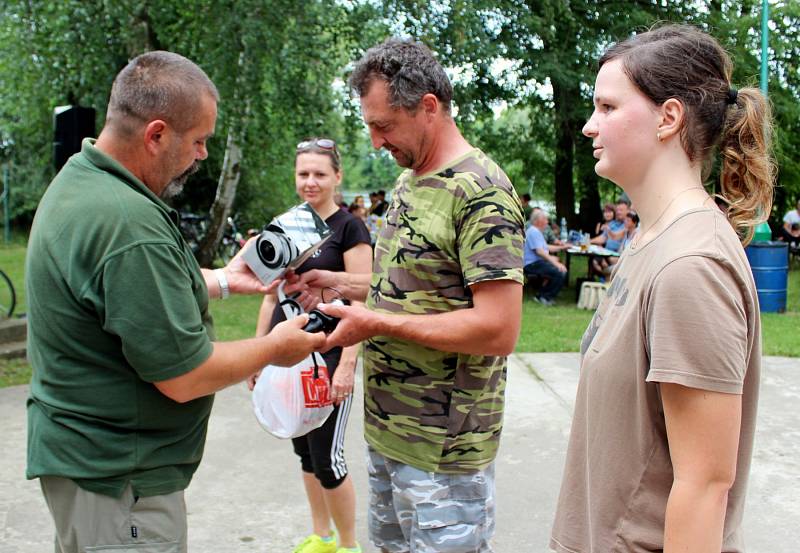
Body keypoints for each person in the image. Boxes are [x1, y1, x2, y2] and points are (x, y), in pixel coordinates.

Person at [24, 51, 326, 553]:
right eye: (199, 140)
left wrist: (227, 280)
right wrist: (275, 347)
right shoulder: (127, 224)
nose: (204, 154)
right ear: (157, 134)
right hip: (121, 481)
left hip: (90, 467)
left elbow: (121, 293)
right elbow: (186, 376)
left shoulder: (84, 179)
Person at [294, 39, 524, 553]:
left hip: (444, 450)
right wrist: (337, 284)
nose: (376, 141)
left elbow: (498, 329)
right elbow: (406, 288)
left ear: (428, 107)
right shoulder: (407, 183)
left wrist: (376, 324)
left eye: (385, 126)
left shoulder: (481, 192)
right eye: (370, 125)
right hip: (387, 434)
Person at [550, 24, 774, 553]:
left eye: (607, 107)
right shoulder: (651, 237)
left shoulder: (690, 266)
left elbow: (704, 487)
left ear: (668, 118)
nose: (589, 126)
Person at [249, 138, 372, 553]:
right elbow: (270, 296)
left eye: (320, 173)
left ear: (337, 176)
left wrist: (347, 365)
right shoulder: (285, 224)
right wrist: (258, 354)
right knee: (303, 450)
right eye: (303, 173)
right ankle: (321, 538)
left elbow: (363, 298)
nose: (310, 182)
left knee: (328, 458)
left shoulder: (350, 227)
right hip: (287, 353)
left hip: (331, 352)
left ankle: (349, 545)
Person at [523, 210, 567, 305]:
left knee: (559, 269)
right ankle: (544, 296)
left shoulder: (536, 231)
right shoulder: (534, 232)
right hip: (532, 264)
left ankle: (542, 295)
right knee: (560, 272)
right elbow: (540, 252)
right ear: (538, 221)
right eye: (545, 219)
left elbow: (546, 247)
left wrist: (563, 247)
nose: (547, 222)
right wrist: (556, 264)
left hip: (536, 263)